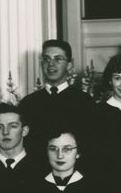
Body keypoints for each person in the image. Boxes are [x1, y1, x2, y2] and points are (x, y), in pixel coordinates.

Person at [17, 39, 95, 168]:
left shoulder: (85, 102)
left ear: (70, 65)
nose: (51, 65)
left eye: (58, 59)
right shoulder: (28, 103)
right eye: (46, 59)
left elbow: (90, 146)